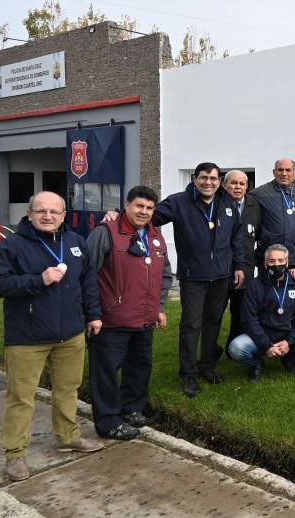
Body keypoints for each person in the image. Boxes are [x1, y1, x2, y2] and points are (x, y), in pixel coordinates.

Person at [0, 192, 104, 482]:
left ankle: (68, 437)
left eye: (54, 211)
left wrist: (93, 314)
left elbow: (88, 281)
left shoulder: (76, 243)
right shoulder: (12, 245)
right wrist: (37, 280)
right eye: (41, 211)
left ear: (64, 215)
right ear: (29, 214)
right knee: (21, 397)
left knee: (68, 389)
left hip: (70, 333)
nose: (48, 216)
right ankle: (15, 454)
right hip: (27, 337)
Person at [152, 162, 246, 397]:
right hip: (193, 275)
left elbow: (236, 239)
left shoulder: (228, 203)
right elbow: (148, 218)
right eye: (204, 178)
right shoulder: (178, 202)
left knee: (213, 321)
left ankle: (206, 366)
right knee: (191, 324)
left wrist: (239, 266)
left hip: (221, 275)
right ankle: (188, 374)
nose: (208, 182)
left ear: (219, 181)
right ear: (195, 178)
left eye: (213, 179)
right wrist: (118, 217)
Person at [86, 186, 173, 440]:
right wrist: (92, 313)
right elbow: (87, 274)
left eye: (148, 208)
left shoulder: (156, 236)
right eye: (138, 206)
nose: (143, 212)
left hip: (145, 318)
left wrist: (159, 306)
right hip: (111, 320)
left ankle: (131, 409)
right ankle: (108, 421)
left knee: (139, 366)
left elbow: (164, 274)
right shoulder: (106, 232)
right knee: (106, 373)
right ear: (126, 205)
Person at [228, 244, 295, 381]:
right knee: (235, 348)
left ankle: (289, 357)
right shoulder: (255, 285)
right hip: (261, 336)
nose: (277, 264)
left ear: (287, 263)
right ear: (265, 264)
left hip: (287, 334)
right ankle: (257, 363)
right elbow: (249, 320)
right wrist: (266, 345)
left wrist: (290, 342)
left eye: (280, 260)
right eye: (272, 261)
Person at [222, 170, 262, 350]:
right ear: (224, 184)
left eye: (241, 184)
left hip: (245, 269)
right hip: (219, 270)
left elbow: (259, 234)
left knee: (240, 312)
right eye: (233, 183)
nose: (237, 187)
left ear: (247, 187)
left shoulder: (254, 205)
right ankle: (209, 352)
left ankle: (234, 348)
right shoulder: (215, 203)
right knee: (213, 314)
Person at [250, 158, 295, 274]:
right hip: (270, 259)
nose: (284, 174)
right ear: (274, 172)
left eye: (288, 170)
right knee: (268, 291)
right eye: (280, 170)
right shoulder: (259, 193)